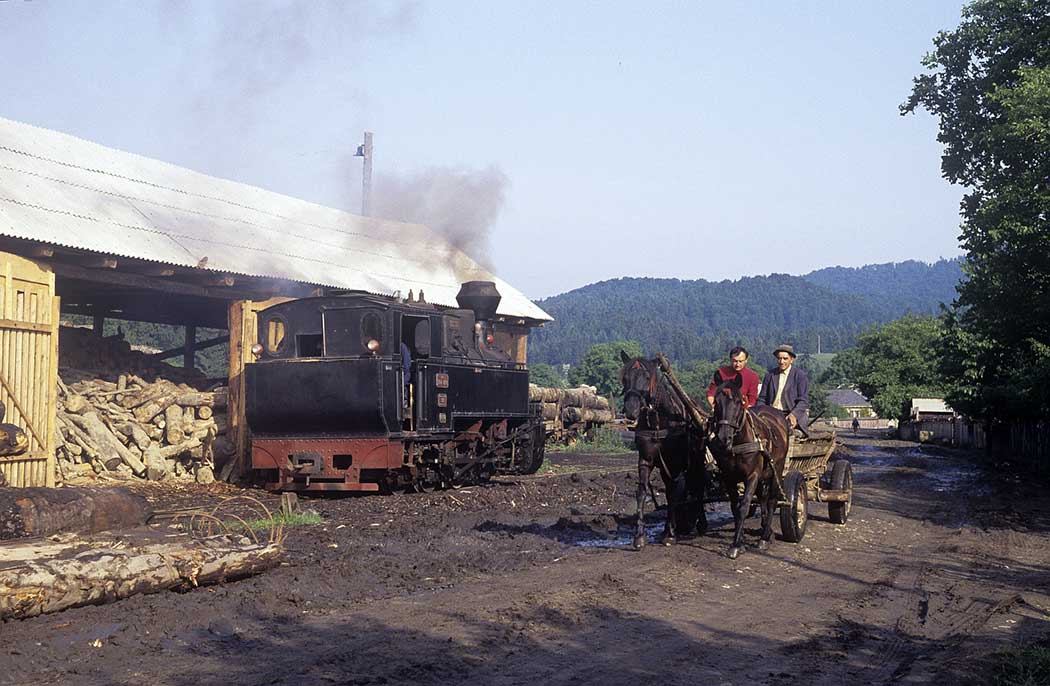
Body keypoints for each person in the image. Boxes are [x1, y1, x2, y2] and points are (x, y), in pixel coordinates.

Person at [757, 344, 809, 430]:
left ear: (791, 360)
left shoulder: (799, 376)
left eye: (785, 359)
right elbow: (762, 398)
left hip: (790, 414)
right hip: (771, 414)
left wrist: (794, 415)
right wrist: (760, 412)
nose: (781, 362)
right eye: (779, 358)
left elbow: (803, 400)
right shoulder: (770, 375)